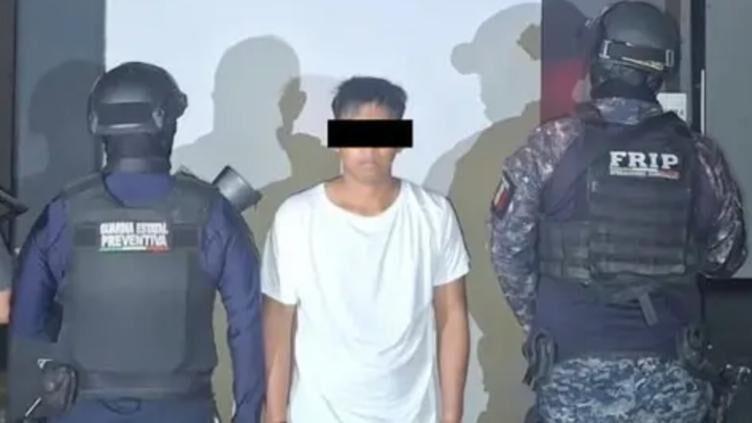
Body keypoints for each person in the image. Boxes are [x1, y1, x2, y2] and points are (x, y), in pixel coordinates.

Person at [489, 2, 747, 422]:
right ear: (661, 70)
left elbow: (508, 253)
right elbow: (725, 258)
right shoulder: (700, 156)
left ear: (597, 60)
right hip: (674, 373)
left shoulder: (550, 146)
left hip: (573, 375)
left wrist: (547, 322)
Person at [9, 62, 264, 423]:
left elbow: (27, 320)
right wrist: (248, 415)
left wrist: (76, 322)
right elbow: (248, 325)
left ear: (98, 124)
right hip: (183, 411)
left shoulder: (64, 213)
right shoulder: (212, 213)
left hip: (84, 410)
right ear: (166, 122)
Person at [262, 76, 470, 423]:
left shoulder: (433, 216)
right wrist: (274, 415)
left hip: (411, 414)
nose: (369, 148)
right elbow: (278, 324)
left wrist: (452, 416)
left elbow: (452, 316)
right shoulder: (296, 218)